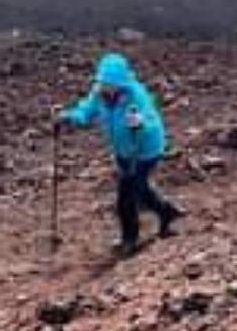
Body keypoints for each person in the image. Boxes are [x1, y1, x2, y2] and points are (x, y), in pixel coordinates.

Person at [55, 52, 183, 256]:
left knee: (126, 196)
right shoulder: (99, 94)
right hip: (123, 151)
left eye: (111, 82)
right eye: (104, 81)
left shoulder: (135, 95)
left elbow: (150, 122)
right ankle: (167, 212)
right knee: (140, 189)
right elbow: (87, 112)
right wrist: (69, 117)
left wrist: (140, 124)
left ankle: (129, 238)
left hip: (145, 151)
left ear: (121, 82)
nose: (106, 86)